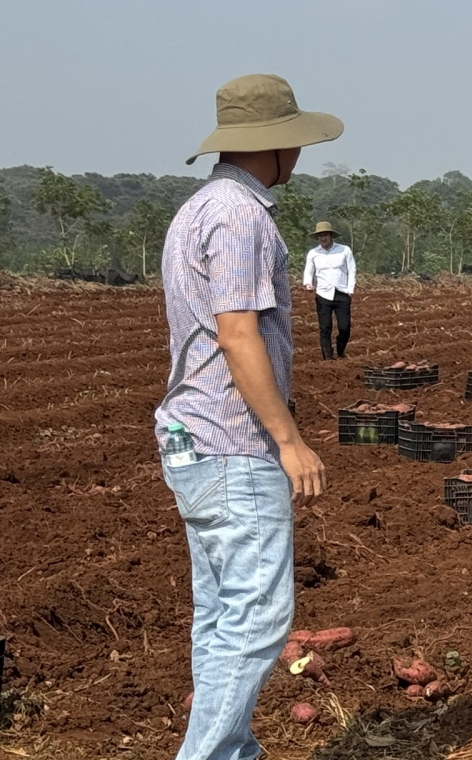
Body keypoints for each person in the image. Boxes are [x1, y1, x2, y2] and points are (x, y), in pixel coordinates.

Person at [156, 73, 339, 760]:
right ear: (277, 145)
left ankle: (230, 753)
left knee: (222, 614)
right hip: (233, 441)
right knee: (259, 618)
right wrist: (289, 441)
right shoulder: (242, 216)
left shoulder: (198, 208)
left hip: (191, 437)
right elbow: (238, 333)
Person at [302, 221, 355, 360]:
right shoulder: (313, 253)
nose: (323, 238)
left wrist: (350, 289)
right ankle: (328, 358)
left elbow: (352, 270)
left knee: (345, 327)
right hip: (323, 294)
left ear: (331, 236)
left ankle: (340, 350)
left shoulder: (344, 250)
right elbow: (309, 270)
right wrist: (308, 283)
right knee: (325, 328)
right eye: (320, 235)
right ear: (317, 238)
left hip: (342, 293)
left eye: (325, 235)